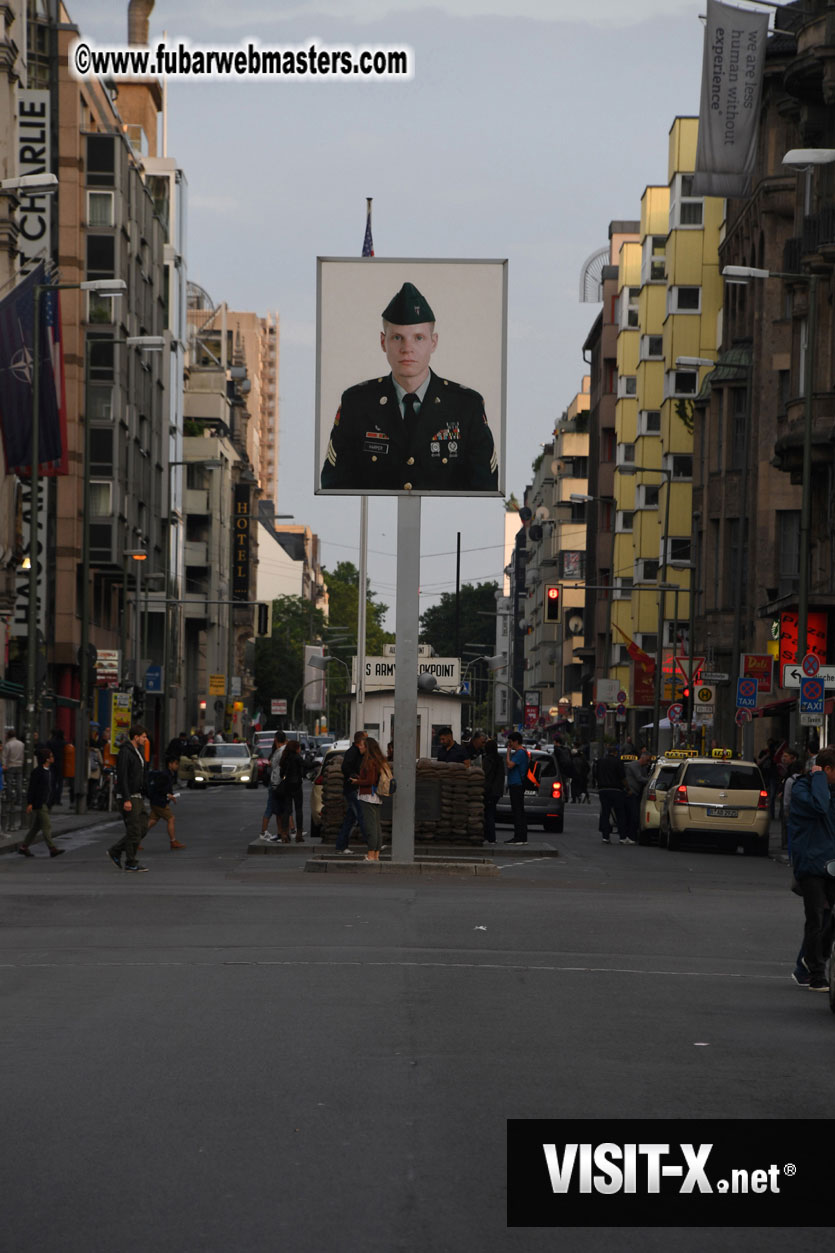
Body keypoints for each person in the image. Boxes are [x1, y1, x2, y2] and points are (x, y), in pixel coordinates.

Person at [320, 281, 499, 493]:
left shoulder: (466, 406)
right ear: (382, 342)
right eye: (397, 338)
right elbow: (335, 485)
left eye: (418, 338)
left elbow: (484, 487)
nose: (407, 349)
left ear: (433, 342)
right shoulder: (357, 404)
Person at [787, 747, 835, 992]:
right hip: (811, 864)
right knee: (816, 918)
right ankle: (816, 972)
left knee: (828, 920)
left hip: (831, 865)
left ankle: (810, 960)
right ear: (826, 770)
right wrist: (817, 779)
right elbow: (818, 806)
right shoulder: (803, 788)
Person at [107, 724, 150, 873]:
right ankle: (131, 862)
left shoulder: (139, 750)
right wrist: (126, 798)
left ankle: (116, 850)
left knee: (143, 826)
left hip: (137, 795)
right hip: (129, 796)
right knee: (134, 830)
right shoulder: (125, 751)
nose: (145, 739)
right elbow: (123, 776)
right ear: (136, 737)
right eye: (143, 737)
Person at [17, 748, 64, 859]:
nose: (53, 758)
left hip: (46, 803)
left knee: (36, 827)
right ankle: (52, 849)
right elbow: (32, 788)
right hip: (39, 803)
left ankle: (24, 847)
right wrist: (30, 803)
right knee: (46, 825)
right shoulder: (37, 772)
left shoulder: (49, 770)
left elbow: (49, 787)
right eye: (51, 756)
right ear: (46, 759)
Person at [357, 737, 390, 862]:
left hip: (368, 796)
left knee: (371, 826)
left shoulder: (369, 762)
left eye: (361, 745)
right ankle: (375, 855)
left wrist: (356, 781)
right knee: (376, 826)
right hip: (376, 796)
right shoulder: (377, 760)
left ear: (367, 747)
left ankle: (371, 855)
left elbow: (369, 781)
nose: (359, 747)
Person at [335, 731, 368, 854]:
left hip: (353, 788)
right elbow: (345, 767)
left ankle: (341, 846)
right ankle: (372, 844)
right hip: (352, 789)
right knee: (362, 815)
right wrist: (354, 776)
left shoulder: (358, 752)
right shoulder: (352, 752)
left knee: (350, 818)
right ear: (360, 742)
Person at [144, 755, 185, 850]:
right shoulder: (164, 775)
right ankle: (173, 841)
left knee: (152, 822)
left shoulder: (170, 774)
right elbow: (158, 788)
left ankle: (135, 840)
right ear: (169, 764)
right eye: (175, 764)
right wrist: (168, 795)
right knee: (171, 818)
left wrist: (171, 796)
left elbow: (166, 789)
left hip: (158, 801)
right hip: (159, 802)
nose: (177, 766)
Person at [596, 744, 629, 845]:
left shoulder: (600, 762)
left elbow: (595, 774)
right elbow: (622, 777)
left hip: (603, 790)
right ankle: (622, 837)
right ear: (615, 753)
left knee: (605, 813)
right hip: (616, 790)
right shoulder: (618, 762)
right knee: (620, 813)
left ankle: (605, 836)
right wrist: (628, 788)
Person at [503, 731, 529, 845]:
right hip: (516, 784)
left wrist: (508, 753)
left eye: (510, 742)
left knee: (517, 811)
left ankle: (519, 837)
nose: (510, 745)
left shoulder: (520, 753)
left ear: (516, 741)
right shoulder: (522, 753)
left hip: (517, 785)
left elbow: (509, 765)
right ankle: (521, 837)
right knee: (519, 811)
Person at [260, 731, 286, 840]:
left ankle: (267, 832)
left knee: (273, 808)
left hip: (276, 783)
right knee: (277, 809)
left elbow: (273, 765)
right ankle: (280, 832)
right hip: (279, 783)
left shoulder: (279, 752)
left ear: (276, 740)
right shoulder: (284, 751)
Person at [623, 747, 651, 844]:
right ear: (642, 758)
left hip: (636, 793)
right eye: (647, 760)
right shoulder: (634, 765)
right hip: (631, 793)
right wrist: (651, 780)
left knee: (634, 815)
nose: (648, 762)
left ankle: (630, 836)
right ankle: (630, 836)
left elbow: (644, 778)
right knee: (633, 815)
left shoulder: (643, 767)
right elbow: (640, 778)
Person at [481, 738, 505, 845]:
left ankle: (490, 837)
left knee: (488, 814)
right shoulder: (499, 760)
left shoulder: (487, 760)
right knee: (491, 813)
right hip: (497, 791)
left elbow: (486, 775)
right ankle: (490, 837)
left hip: (489, 790)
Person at [3, 727, 24, 829]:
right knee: (19, 783)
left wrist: (4, 765)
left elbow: (4, 756)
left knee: (9, 783)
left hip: (11, 765)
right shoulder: (21, 744)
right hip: (19, 765)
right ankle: (19, 799)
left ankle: (9, 798)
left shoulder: (8, 745)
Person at [46, 727, 66, 807]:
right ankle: (58, 799)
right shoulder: (64, 743)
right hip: (61, 763)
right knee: (60, 782)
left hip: (52, 763)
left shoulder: (50, 742)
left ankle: (51, 799)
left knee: (52, 782)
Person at [87, 735, 104, 808]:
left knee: (88, 787)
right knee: (93, 788)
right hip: (95, 772)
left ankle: (87, 802)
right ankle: (92, 802)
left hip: (87, 773)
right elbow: (101, 761)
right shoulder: (97, 751)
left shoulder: (86, 751)